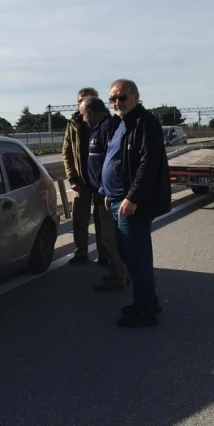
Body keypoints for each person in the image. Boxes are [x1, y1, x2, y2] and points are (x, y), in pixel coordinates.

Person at [102, 79, 171, 327]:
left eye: (122, 97)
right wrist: (108, 191)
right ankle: (148, 300)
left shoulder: (145, 122)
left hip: (131, 203)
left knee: (137, 258)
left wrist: (133, 197)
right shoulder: (123, 123)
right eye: (112, 99)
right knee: (127, 254)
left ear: (136, 96)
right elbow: (117, 159)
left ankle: (144, 311)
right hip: (117, 199)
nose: (117, 103)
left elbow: (148, 163)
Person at [80, 96, 131, 292]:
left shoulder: (109, 127)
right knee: (108, 238)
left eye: (83, 114)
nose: (83, 118)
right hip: (102, 192)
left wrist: (105, 189)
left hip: (108, 194)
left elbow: (114, 161)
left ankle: (120, 277)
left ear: (91, 112)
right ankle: (119, 273)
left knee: (110, 239)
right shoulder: (100, 128)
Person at [62, 87, 110, 267]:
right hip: (81, 180)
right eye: (80, 100)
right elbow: (66, 152)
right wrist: (72, 177)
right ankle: (81, 252)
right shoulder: (73, 123)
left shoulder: (108, 121)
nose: (83, 103)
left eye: (87, 99)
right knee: (79, 219)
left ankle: (105, 254)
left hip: (102, 180)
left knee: (103, 219)